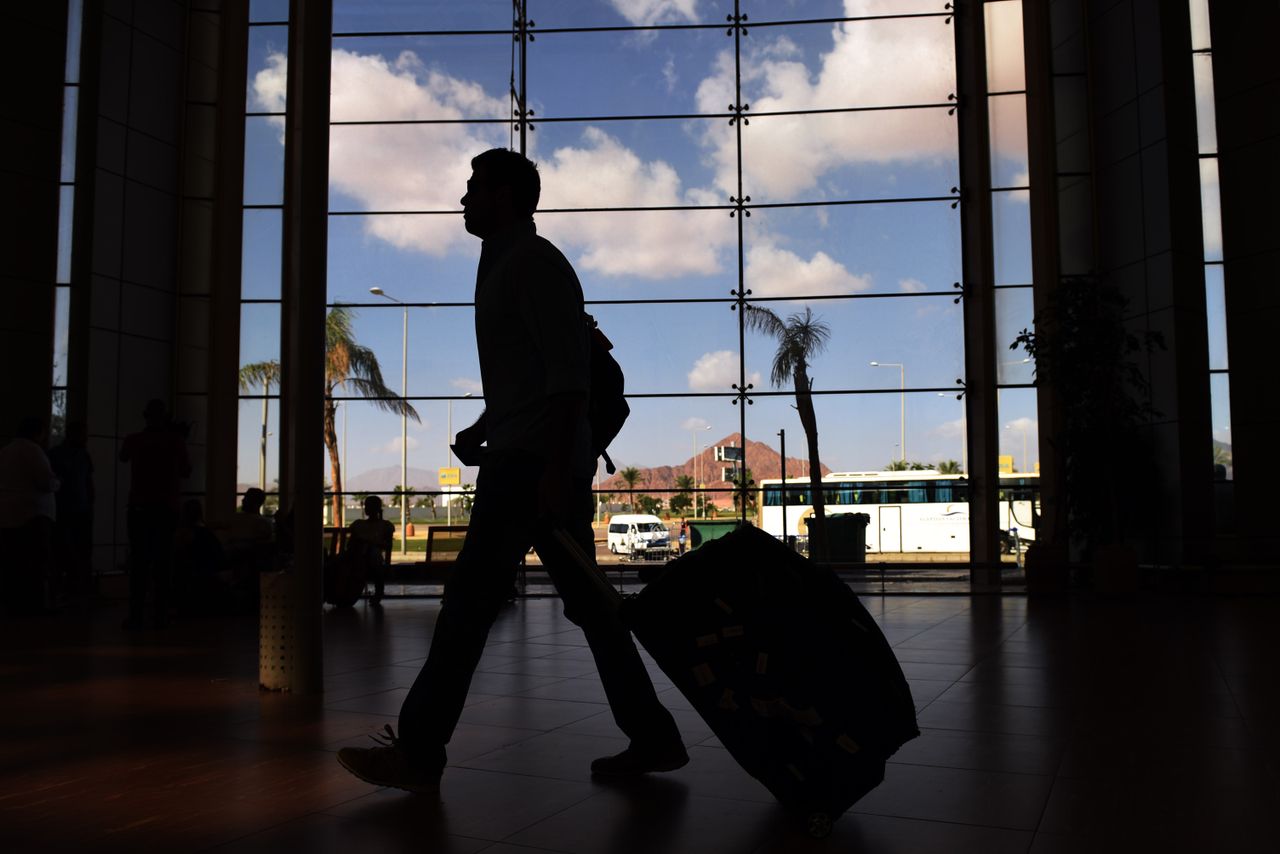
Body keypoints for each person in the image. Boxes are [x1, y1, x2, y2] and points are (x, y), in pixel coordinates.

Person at [338, 148, 686, 794]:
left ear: (506, 197)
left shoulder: (534, 264)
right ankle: (653, 735)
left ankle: (418, 751)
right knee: (591, 610)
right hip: (526, 458)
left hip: (530, 469)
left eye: (475, 187)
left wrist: (554, 469)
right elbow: (530, 382)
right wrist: (482, 429)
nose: (463, 199)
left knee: (468, 605)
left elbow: (568, 381)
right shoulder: (502, 267)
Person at [119, 399, 191, 629]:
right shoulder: (176, 441)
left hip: (139, 507)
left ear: (144, 415)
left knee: (140, 562)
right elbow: (186, 471)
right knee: (164, 563)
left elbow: (123, 457)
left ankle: (136, 614)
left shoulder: (134, 440)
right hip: (167, 508)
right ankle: (161, 615)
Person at [0, 416, 60, 614]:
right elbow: (46, 482)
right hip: (34, 514)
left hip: (8, 515)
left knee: (13, 563)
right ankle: (36, 604)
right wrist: (57, 483)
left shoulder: (6, 451)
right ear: (38, 432)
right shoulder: (34, 451)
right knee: (36, 563)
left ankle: (13, 603)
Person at [48, 420, 95, 602]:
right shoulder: (81, 455)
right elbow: (89, 483)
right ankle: (77, 589)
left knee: (66, 551)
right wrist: (90, 504)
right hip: (73, 510)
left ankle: (68, 589)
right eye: (84, 434)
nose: (86, 437)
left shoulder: (55, 454)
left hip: (67, 510)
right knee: (75, 551)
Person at [347, 494, 394, 604]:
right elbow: (388, 546)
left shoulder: (359, 525)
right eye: (367, 506)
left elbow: (387, 546)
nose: (367, 508)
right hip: (362, 558)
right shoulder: (383, 525)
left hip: (366, 559)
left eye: (369, 506)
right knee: (373, 553)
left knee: (372, 553)